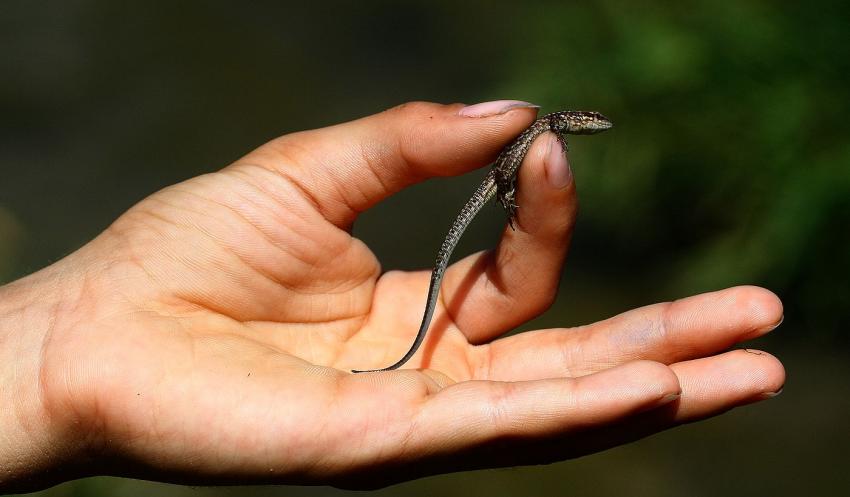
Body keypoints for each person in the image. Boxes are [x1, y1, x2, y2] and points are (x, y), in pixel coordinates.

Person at [0, 101, 784, 492]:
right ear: (572, 121)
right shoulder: (536, 128)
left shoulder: (545, 129)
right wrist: (45, 369)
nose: (593, 126)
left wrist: (48, 368)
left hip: (507, 172)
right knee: (522, 181)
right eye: (589, 122)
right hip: (503, 173)